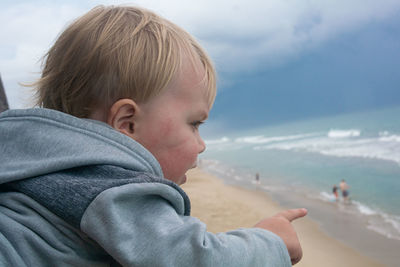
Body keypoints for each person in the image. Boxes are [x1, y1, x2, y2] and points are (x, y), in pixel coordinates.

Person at [0, 5, 307, 266]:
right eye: (194, 124)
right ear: (127, 123)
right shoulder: (107, 185)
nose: (201, 144)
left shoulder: (34, 169)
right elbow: (191, 258)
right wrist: (271, 242)